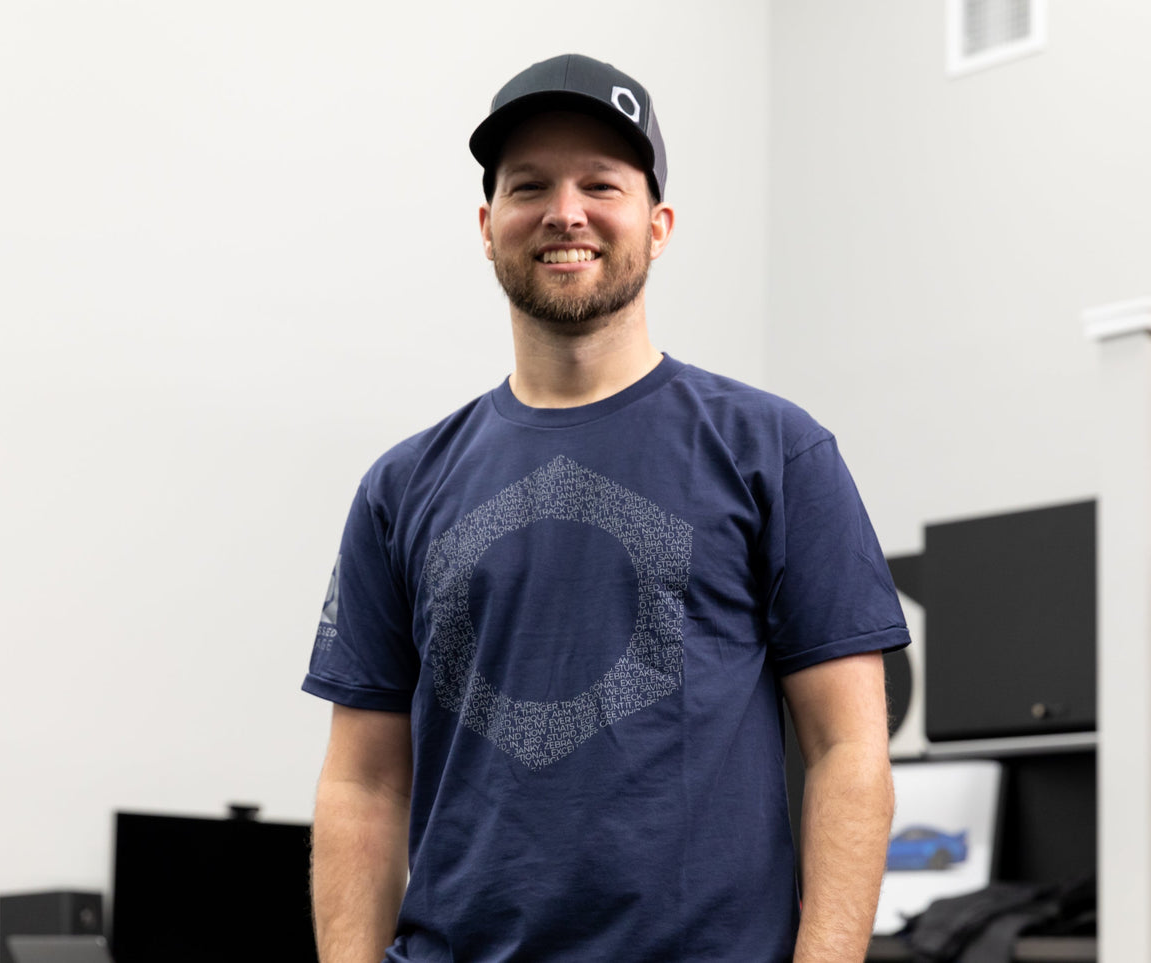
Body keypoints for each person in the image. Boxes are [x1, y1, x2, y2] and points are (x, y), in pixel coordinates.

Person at [304, 53, 910, 963]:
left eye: (601, 184)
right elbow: (362, 781)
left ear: (657, 226)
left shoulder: (774, 452)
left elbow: (847, 750)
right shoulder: (400, 487)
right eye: (528, 186)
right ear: (486, 226)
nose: (565, 212)